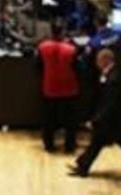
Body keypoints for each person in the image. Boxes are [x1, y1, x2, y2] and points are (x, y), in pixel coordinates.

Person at [70, 48, 121, 181]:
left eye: (98, 61)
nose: (96, 64)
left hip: (113, 120)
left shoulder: (113, 79)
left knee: (119, 144)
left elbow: (109, 104)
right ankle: (83, 166)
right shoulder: (113, 71)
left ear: (106, 60)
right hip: (113, 118)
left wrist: (95, 119)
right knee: (98, 143)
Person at [37, 22, 80, 153]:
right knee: (70, 121)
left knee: (48, 119)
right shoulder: (71, 49)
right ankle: (69, 145)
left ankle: (49, 145)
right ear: (63, 32)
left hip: (50, 87)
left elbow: (37, 67)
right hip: (69, 88)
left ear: (51, 32)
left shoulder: (42, 47)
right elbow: (78, 68)